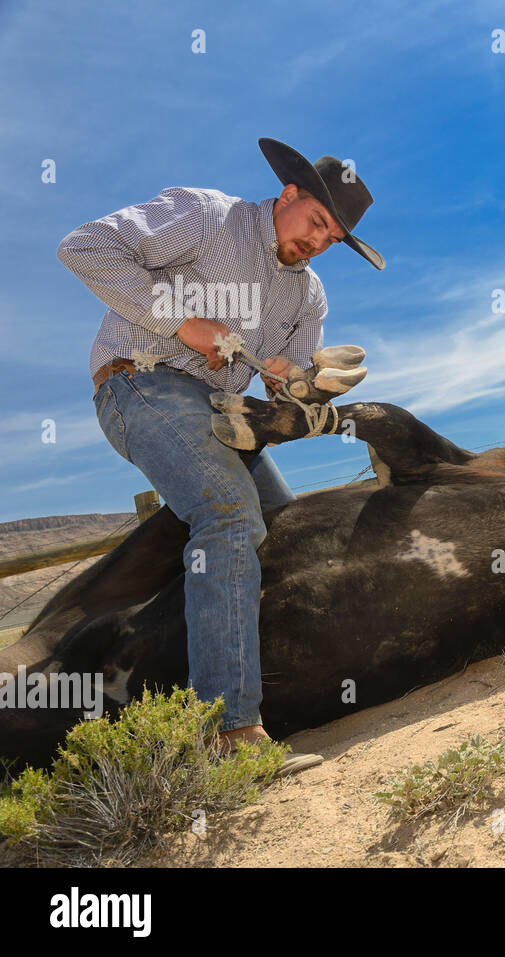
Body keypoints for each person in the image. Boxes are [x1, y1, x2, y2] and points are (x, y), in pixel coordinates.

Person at [59, 138, 384, 775]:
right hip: (139, 384)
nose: (318, 242)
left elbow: (281, 381)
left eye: (333, 238)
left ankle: (251, 684)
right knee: (231, 516)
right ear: (288, 194)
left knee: (286, 529)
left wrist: (305, 384)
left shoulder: (308, 297)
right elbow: (84, 247)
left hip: (223, 414)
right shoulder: (208, 215)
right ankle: (229, 735)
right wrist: (183, 321)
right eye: (316, 222)